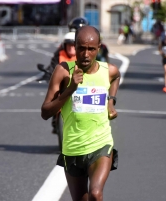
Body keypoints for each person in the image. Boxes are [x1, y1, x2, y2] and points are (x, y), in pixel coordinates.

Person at [41, 26, 120, 201]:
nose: (86, 54)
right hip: (73, 149)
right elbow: (45, 112)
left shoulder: (108, 71)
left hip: (101, 145)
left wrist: (110, 102)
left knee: (95, 193)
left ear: (98, 48)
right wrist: (70, 89)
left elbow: (116, 77)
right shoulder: (63, 71)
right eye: (81, 48)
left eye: (91, 49)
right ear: (74, 47)